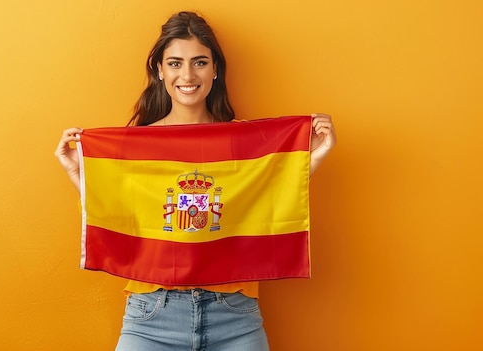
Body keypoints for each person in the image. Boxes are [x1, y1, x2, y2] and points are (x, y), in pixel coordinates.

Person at [55, 11, 336, 351]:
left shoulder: (246, 143)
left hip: (235, 317)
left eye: (199, 62)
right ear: (159, 70)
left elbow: (269, 196)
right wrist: (77, 174)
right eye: (175, 63)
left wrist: (314, 158)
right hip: (151, 317)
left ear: (215, 69)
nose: (187, 74)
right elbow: (120, 216)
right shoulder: (135, 146)